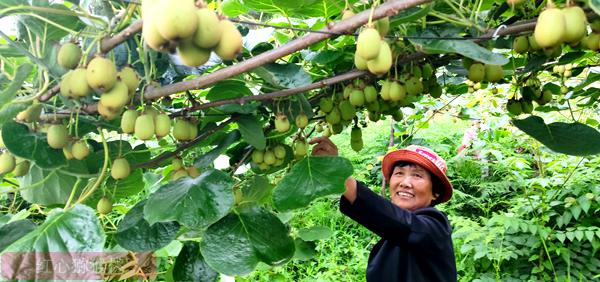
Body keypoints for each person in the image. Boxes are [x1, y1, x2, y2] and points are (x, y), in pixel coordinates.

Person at [309, 136, 457, 282]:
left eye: (417, 175)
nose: (405, 183)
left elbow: (405, 225)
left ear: (435, 192)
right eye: (399, 173)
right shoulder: (392, 235)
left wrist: (339, 172)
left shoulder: (436, 228)